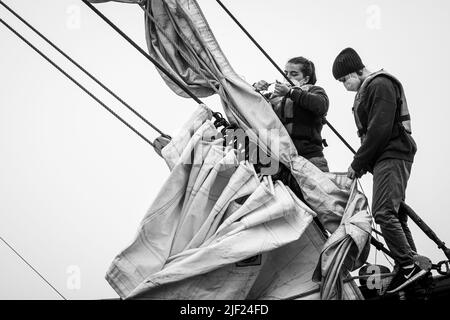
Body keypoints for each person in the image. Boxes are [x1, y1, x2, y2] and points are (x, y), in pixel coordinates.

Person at [332, 47, 427, 293]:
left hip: (392, 153)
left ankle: (408, 265)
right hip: (387, 155)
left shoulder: (379, 84)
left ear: (357, 70)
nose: (345, 85)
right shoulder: (372, 87)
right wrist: (366, 162)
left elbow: (379, 130)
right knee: (395, 214)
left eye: (344, 79)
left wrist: (358, 163)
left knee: (383, 212)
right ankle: (411, 265)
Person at [253, 56, 329, 172]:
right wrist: (255, 89)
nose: (287, 77)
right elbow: (250, 105)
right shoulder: (275, 97)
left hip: (311, 160)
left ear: (305, 79)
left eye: (294, 74)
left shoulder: (315, 91)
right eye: (286, 73)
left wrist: (290, 92)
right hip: (282, 160)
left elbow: (321, 106)